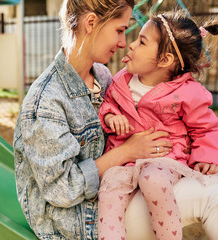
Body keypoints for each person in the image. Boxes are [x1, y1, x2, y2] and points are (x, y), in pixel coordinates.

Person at [14, 0, 218, 239]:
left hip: (132, 187)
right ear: (91, 23)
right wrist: (126, 153)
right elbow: (62, 190)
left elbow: (193, 121)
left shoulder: (102, 75)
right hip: (87, 217)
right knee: (213, 195)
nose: (124, 43)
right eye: (120, 30)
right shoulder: (46, 102)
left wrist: (194, 155)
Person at [97, 11, 218, 240]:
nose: (131, 45)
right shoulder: (121, 81)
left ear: (164, 61)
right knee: (109, 192)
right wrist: (112, 117)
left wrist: (208, 158)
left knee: (153, 179)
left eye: (142, 41)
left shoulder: (186, 92)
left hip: (164, 159)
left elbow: (205, 127)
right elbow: (108, 104)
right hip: (125, 161)